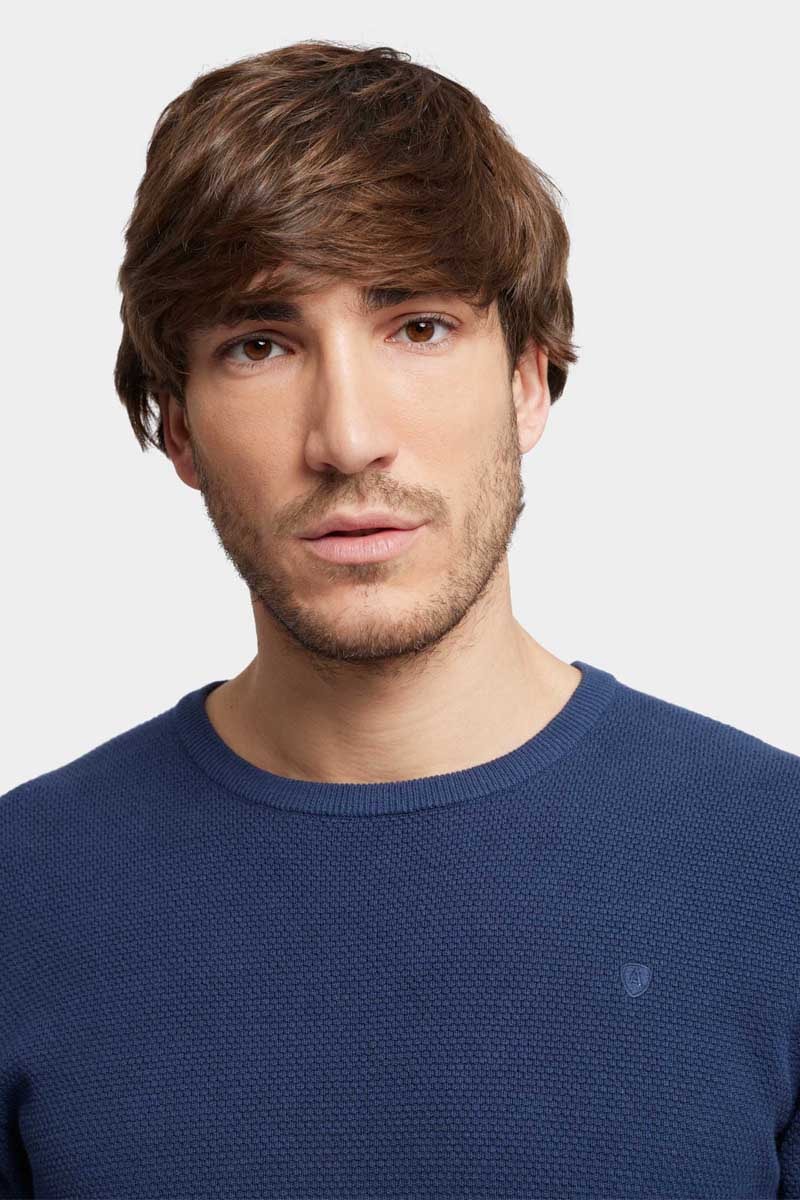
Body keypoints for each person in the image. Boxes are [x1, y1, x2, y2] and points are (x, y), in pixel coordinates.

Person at [1, 39, 798, 1199]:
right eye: (259, 345)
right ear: (177, 427)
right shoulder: (23, 894)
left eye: (417, 327)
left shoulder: (772, 866)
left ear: (528, 380)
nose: (347, 437)